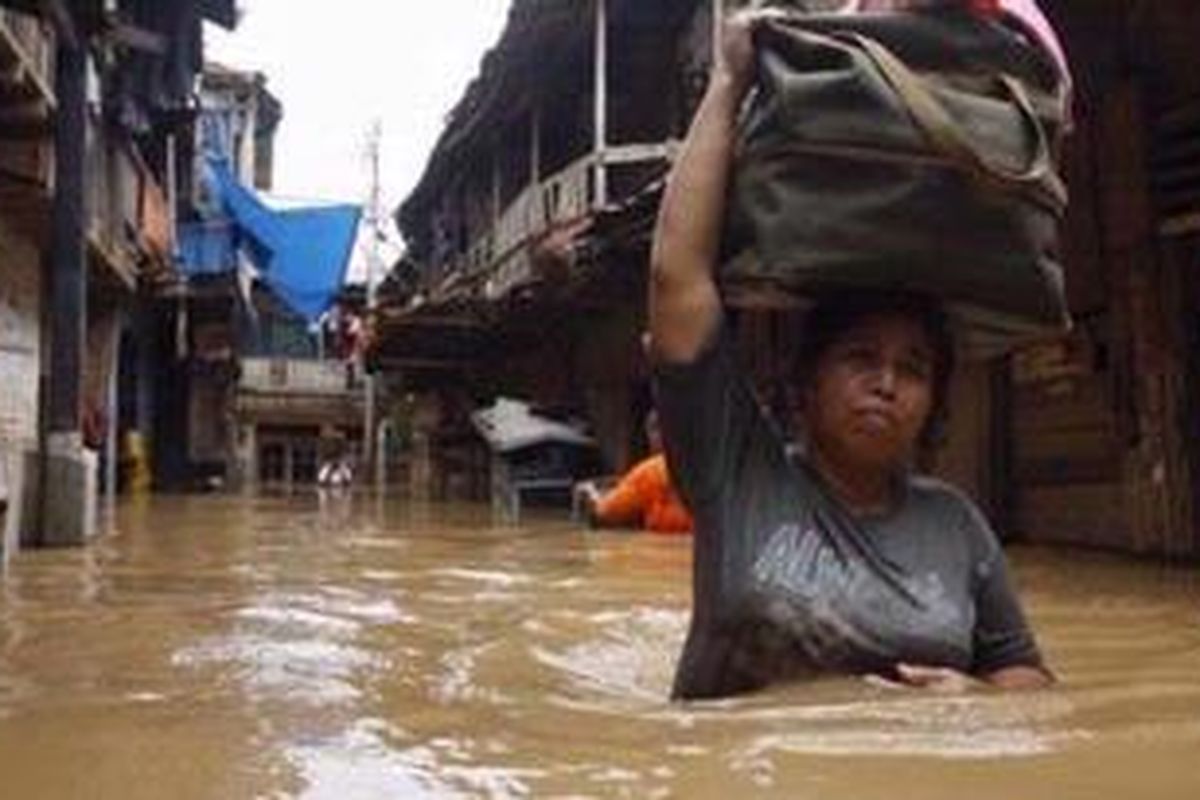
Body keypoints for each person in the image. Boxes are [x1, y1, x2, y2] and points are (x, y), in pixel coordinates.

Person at [648, 9, 1053, 699]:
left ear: (934, 403)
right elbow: (676, 281)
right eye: (860, 358)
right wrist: (726, 81)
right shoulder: (737, 474)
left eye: (914, 369)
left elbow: (1031, 678)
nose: (887, 383)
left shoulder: (957, 526)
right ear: (806, 380)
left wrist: (979, 697)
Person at [576, 410, 694, 535]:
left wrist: (591, 495)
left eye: (654, 430)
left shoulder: (650, 472)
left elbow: (602, 514)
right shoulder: (710, 467)